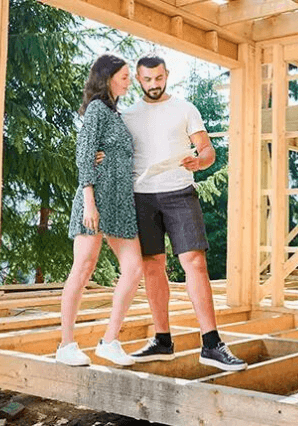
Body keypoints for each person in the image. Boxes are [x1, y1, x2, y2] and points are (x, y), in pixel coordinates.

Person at [122, 55, 247, 371]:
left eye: (159, 78)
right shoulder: (127, 114)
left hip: (179, 193)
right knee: (152, 266)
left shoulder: (185, 109)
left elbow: (208, 152)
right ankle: (162, 341)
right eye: (147, 79)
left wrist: (199, 161)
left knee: (195, 262)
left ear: (167, 75)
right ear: (139, 79)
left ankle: (212, 344)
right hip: (141, 198)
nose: (154, 84)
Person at [57, 54, 143, 367]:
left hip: (120, 201)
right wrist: (89, 201)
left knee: (133, 268)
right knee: (83, 267)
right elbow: (84, 153)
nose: (129, 80)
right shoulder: (97, 110)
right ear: (107, 77)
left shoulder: (115, 114)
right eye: (124, 75)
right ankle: (66, 345)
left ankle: (109, 341)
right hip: (94, 199)